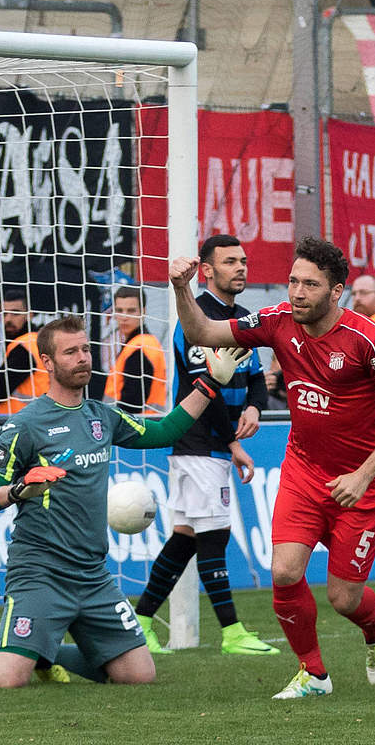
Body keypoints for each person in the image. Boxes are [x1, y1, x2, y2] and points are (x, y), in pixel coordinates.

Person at [0, 315, 252, 691]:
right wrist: (19, 490)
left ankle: (44, 653)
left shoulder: (101, 416)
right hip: (40, 573)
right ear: (48, 363)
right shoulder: (26, 424)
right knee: (6, 681)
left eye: (86, 349)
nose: (82, 358)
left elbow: (163, 430)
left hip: (91, 574)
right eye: (70, 352)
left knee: (139, 676)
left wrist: (209, 384)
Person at [168, 236, 375, 700]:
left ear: (336, 290)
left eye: (309, 284)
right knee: (284, 571)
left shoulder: (370, 340)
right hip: (303, 472)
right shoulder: (276, 321)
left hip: (359, 484)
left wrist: (362, 475)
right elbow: (202, 332)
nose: (296, 292)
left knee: (343, 598)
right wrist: (182, 288)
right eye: (292, 281)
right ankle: (314, 674)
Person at [134, 235, 277, 656]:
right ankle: (232, 633)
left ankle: (140, 622)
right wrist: (232, 441)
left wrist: (254, 407)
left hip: (211, 445)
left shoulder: (245, 320)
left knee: (186, 537)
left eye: (244, 260)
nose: (241, 268)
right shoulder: (195, 319)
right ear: (208, 270)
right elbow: (205, 388)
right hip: (199, 442)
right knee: (215, 535)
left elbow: (254, 376)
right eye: (230, 261)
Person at [103, 286, 167, 415]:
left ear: (143, 312)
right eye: (120, 310)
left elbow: (132, 402)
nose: (124, 317)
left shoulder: (140, 347)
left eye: (131, 311)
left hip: (137, 426)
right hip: (147, 423)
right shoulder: (140, 343)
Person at [0, 289, 47, 414]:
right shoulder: (37, 340)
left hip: (23, 422)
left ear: (30, 315)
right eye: (5, 314)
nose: (8, 319)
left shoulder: (24, 346)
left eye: (15, 313)